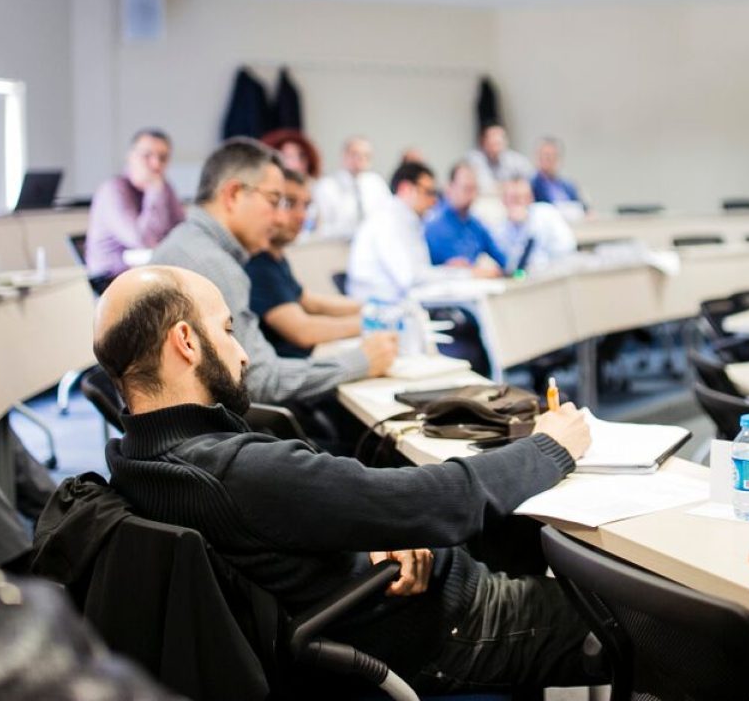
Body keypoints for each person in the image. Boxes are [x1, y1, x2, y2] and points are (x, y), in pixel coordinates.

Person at [93, 265, 598, 694]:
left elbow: (316, 519)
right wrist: (549, 446)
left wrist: (377, 531)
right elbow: (437, 501)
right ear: (186, 341)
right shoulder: (237, 469)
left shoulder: (134, 460)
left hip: (374, 610)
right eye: (228, 331)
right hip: (447, 628)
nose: (242, 354)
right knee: (631, 621)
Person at [151, 137, 395, 409]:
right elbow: (259, 380)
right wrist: (361, 361)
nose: (280, 218)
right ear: (233, 194)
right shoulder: (215, 266)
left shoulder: (187, 243)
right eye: (275, 201)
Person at [246, 169, 363, 358]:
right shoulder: (256, 265)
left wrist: (368, 308)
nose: (302, 216)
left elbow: (308, 301)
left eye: (306, 206)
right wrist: (370, 323)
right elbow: (303, 331)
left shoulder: (276, 258)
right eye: (288, 203)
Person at [85, 129, 184, 290]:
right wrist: (155, 192)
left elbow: (182, 229)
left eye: (163, 157)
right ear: (130, 156)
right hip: (111, 281)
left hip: (146, 275)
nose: (156, 164)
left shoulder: (164, 188)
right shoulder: (113, 190)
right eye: (147, 156)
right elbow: (143, 240)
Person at [347, 160, 459, 301]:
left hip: (401, 302)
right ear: (405, 189)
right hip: (382, 307)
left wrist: (455, 273)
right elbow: (410, 279)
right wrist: (459, 274)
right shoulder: (386, 223)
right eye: (429, 192)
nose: (434, 201)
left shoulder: (408, 222)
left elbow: (420, 272)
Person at [424, 161, 506, 272]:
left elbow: (504, 261)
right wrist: (446, 269)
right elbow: (420, 270)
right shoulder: (432, 226)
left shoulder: (477, 226)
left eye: (474, 189)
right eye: (466, 188)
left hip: (472, 281)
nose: (471, 195)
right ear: (449, 188)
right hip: (443, 281)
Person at [311, 136, 391, 239]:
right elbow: (321, 227)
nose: (360, 159)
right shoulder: (326, 186)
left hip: (373, 242)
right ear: (344, 156)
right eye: (355, 154)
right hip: (337, 244)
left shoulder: (377, 183)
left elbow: (388, 215)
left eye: (366, 155)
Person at [494, 178, 576, 274]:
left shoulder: (547, 212)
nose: (520, 201)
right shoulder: (499, 230)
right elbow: (508, 265)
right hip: (522, 278)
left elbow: (567, 246)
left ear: (531, 198)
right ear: (504, 200)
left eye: (525, 197)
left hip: (554, 272)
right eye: (514, 198)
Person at [466, 124, 534, 194]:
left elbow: (531, 179)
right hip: (485, 198)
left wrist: (513, 186)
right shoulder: (475, 158)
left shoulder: (515, 159)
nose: (496, 148)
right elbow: (484, 185)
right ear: (484, 143)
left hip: (510, 198)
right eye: (493, 143)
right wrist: (510, 185)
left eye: (498, 143)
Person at [531, 137, 583, 208]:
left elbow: (582, 205)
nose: (548, 159)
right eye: (545, 155)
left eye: (552, 155)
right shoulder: (531, 185)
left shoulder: (568, 185)